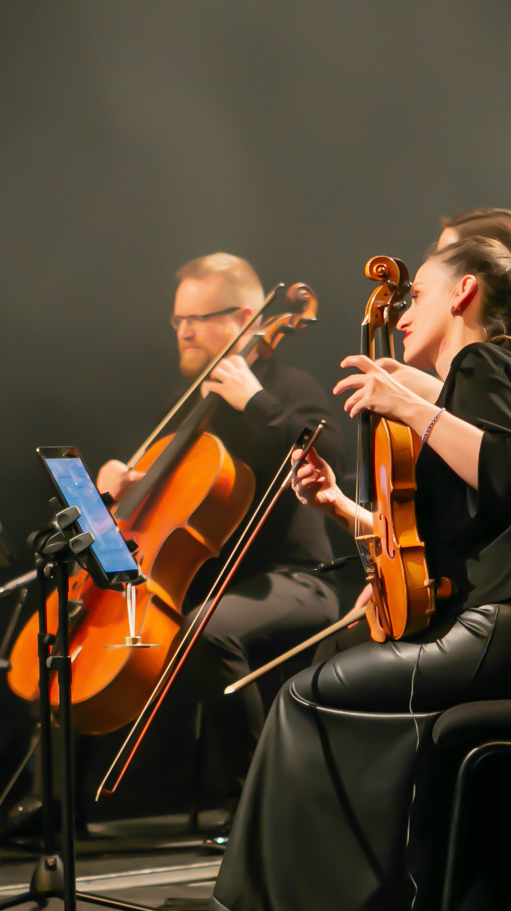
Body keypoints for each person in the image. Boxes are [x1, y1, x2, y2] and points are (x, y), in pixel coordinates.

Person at [208, 232, 511, 911]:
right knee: (379, 715)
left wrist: (406, 400)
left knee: (307, 699)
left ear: (465, 294)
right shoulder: (478, 386)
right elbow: (438, 545)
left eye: (420, 296)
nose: (403, 314)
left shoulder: (484, 362)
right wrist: (339, 504)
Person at [95, 253, 344, 810]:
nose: (183, 331)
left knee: (203, 629)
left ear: (247, 317)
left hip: (296, 580)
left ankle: (262, 810)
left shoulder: (286, 386)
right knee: (90, 632)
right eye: (177, 320)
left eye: (199, 318)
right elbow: (149, 526)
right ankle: (61, 810)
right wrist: (113, 491)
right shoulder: (190, 408)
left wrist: (254, 399)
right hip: (204, 585)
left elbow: (335, 454)